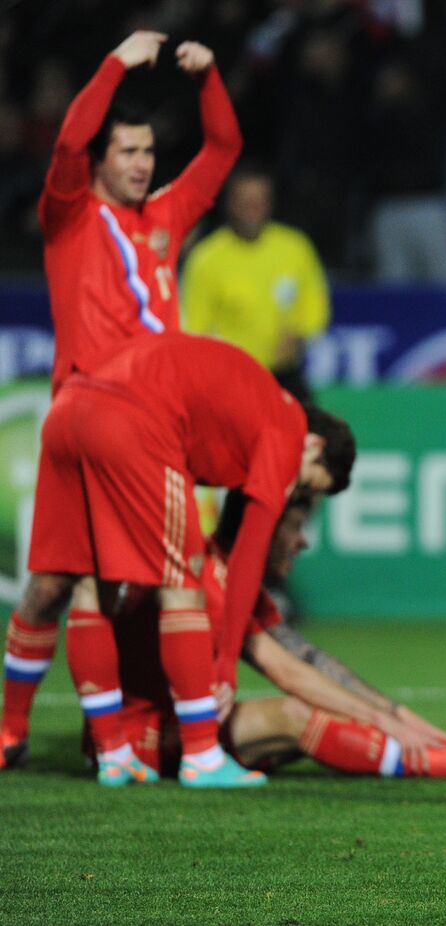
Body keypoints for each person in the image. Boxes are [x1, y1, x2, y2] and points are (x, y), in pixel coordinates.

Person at [2, 30, 241, 771]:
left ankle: (107, 750)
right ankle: (179, 749)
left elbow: (224, 151)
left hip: (114, 421)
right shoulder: (71, 215)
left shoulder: (165, 219)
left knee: (64, 586)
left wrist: (210, 81)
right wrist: (112, 64)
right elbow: (70, 142)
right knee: (149, 582)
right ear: (101, 161)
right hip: (101, 415)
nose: (142, 165)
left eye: (147, 152)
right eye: (128, 152)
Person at [28, 332, 355, 787]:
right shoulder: (287, 429)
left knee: (90, 585)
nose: (295, 496)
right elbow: (248, 556)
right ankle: (203, 754)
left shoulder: (252, 404)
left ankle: (114, 754)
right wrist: (224, 666)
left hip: (68, 409)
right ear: (316, 446)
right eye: (308, 486)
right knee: (181, 583)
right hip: (133, 417)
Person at [106, 494, 446, 782]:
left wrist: (396, 715)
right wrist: (381, 720)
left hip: (183, 728)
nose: (303, 542)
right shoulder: (208, 577)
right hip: (143, 738)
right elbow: (289, 674)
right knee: (293, 714)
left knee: (322, 710)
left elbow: (309, 662)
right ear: (262, 530)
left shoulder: (232, 579)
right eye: (295, 527)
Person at [182, 167, 331, 403]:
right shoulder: (206, 259)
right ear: (229, 203)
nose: (253, 208)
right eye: (245, 201)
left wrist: (299, 334)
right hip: (232, 381)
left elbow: (315, 305)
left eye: (260, 200)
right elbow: (194, 327)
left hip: (286, 376)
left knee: (311, 435)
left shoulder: (295, 247)